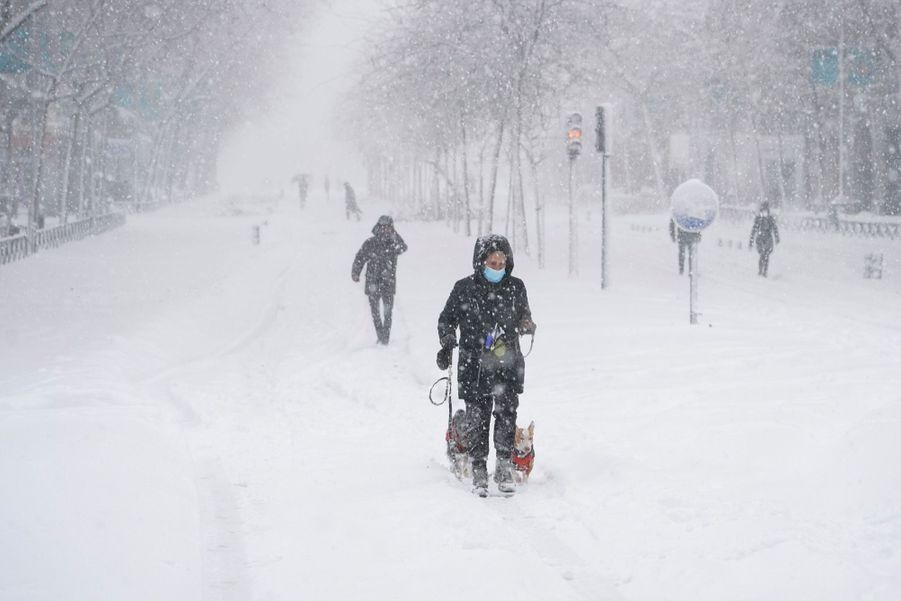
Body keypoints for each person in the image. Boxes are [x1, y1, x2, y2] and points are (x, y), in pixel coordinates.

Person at [436, 234, 536, 497]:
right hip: (474, 365)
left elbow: (524, 313)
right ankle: (479, 468)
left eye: (501, 262)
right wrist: (447, 342)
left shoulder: (517, 287)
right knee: (477, 419)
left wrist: (526, 323)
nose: (497, 267)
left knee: (506, 415)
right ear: (480, 262)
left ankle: (503, 465)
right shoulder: (463, 289)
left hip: (507, 363)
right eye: (492, 262)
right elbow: (447, 319)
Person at [351, 215, 407, 344]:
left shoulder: (394, 244)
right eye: (382, 227)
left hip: (388, 283)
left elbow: (403, 247)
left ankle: (385, 338)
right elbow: (360, 258)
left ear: (392, 229)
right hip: (372, 282)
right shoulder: (370, 243)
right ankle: (380, 335)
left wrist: (394, 235)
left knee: (388, 313)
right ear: (378, 227)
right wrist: (355, 273)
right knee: (375, 312)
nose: (385, 230)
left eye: (388, 227)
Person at [748, 202, 780, 277]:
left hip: (768, 239)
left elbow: (775, 228)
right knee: (762, 255)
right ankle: (760, 270)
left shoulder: (770, 219)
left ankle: (764, 271)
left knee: (766, 255)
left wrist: (777, 237)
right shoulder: (759, 219)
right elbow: (754, 230)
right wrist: (751, 241)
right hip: (760, 239)